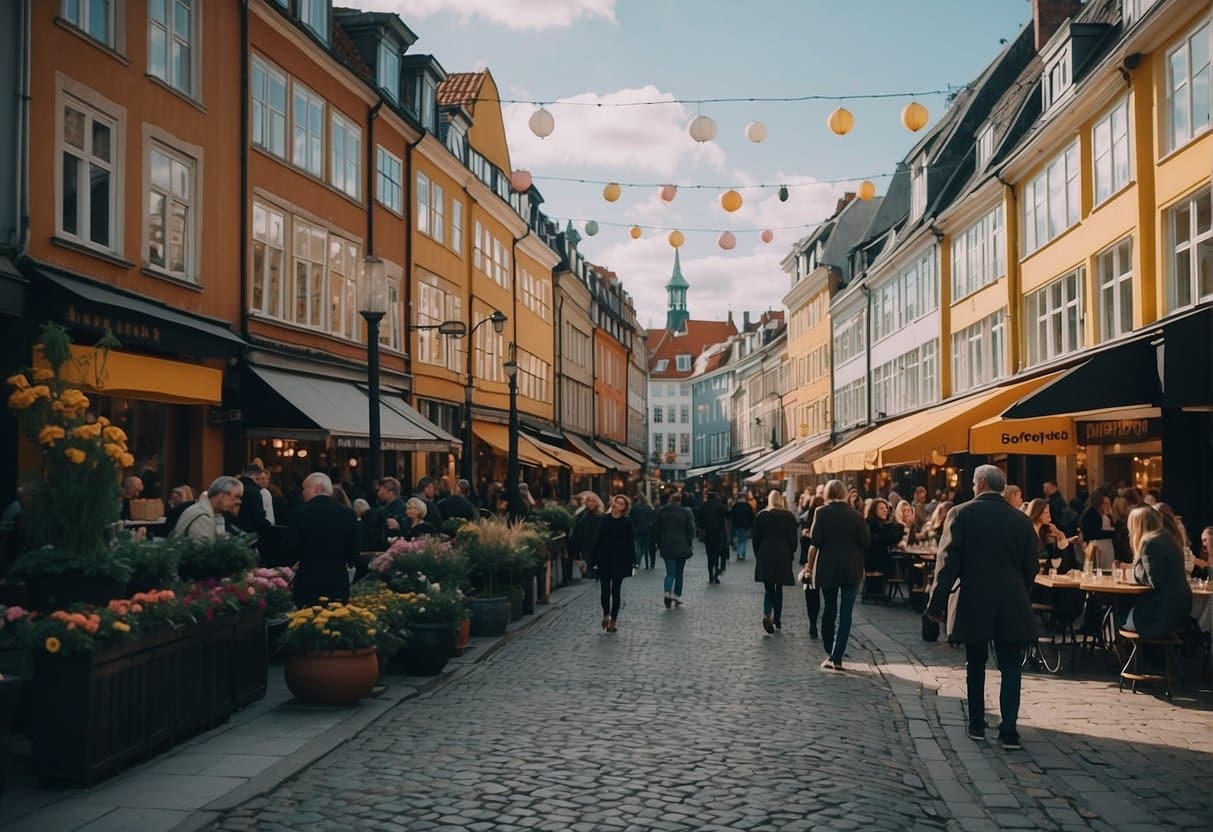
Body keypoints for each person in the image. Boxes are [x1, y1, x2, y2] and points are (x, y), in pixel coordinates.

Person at [927, 465, 1038, 751]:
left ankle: (976, 724)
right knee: (1011, 667)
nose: (973, 487)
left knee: (975, 663)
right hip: (1011, 601)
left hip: (974, 599)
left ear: (981, 484)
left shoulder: (961, 514)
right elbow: (1031, 568)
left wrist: (935, 605)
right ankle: (1009, 731)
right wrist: (1018, 591)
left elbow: (947, 565)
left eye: (974, 482)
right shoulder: (1021, 520)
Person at [807, 480, 870, 670]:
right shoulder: (856, 515)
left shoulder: (821, 512)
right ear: (844, 493)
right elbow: (865, 543)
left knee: (830, 607)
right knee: (846, 613)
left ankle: (829, 649)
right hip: (852, 568)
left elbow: (814, 543)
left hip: (828, 568)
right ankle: (837, 656)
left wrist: (809, 567)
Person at [282, 472, 361, 607]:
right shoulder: (348, 514)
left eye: (306, 488)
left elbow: (290, 547)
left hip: (308, 579)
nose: (303, 492)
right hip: (337, 579)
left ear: (318, 488)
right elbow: (354, 552)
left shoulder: (299, 513)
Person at [1121, 506, 1192, 639]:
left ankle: (1127, 659)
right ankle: (1148, 657)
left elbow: (1153, 580)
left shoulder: (1150, 543)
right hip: (1179, 610)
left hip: (1161, 615)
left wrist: (1135, 571)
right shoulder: (1168, 539)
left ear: (1138, 526)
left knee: (1116, 616)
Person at [752, 490, 798, 634]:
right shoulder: (789, 517)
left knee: (769, 588)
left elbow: (755, 539)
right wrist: (791, 553)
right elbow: (794, 540)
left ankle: (767, 614)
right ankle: (777, 619)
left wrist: (758, 555)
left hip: (765, 554)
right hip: (783, 555)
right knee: (779, 588)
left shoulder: (762, 516)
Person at [592, 495, 636, 633]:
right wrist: (593, 560)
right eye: (616, 502)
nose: (616, 504)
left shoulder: (627, 522)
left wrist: (632, 562)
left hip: (620, 560)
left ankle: (613, 622)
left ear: (624, 507)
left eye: (620, 503)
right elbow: (598, 539)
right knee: (605, 591)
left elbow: (630, 543)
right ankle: (606, 614)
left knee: (616, 592)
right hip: (605, 559)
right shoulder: (605, 519)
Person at [172, 476, 244, 541]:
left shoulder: (215, 514)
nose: (239, 501)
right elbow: (202, 553)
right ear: (223, 496)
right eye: (237, 497)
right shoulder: (202, 518)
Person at [656, 492, 695, 608]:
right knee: (679, 574)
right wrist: (689, 542)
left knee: (670, 573)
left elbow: (657, 529)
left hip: (667, 547)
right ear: (680, 501)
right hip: (682, 547)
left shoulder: (662, 512)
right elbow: (691, 531)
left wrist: (659, 542)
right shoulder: (685, 513)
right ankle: (677, 596)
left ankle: (667, 593)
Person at [1026, 499, 1080, 574]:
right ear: (1037, 513)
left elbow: (1056, 557)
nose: (1049, 515)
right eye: (1046, 512)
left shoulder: (1047, 532)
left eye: (1049, 512)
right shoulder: (1028, 532)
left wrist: (1061, 536)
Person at [864, 499, 905, 597]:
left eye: (886, 508)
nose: (885, 510)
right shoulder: (871, 523)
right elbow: (882, 540)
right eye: (881, 508)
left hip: (883, 557)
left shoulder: (885, 524)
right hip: (873, 560)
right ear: (874, 510)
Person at [797, 494, 825, 638]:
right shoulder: (826, 527)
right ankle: (819, 625)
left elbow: (802, 555)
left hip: (809, 567)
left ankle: (813, 624)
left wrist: (806, 565)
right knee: (824, 596)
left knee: (811, 597)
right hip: (824, 565)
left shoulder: (806, 530)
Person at [567, 492, 604, 582]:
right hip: (585, 549)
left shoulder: (602, 517)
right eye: (588, 501)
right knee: (587, 575)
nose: (590, 503)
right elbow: (577, 532)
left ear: (597, 502)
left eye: (593, 501)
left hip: (598, 549)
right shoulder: (584, 516)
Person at [1080, 489, 1116, 570]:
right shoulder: (1093, 513)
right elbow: (1095, 532)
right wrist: (1111, 533)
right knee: (1099, 566)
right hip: (1097, 544)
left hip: (1097, 543)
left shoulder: (1091, 512)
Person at [700, 491, 729, 584]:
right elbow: (727, 513)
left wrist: (702, 528)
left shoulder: (704, 506)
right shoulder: (719, 505)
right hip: (718, 533)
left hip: (708, 533)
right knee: (716, 555)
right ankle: (715, 575)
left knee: (709, 555)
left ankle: (710, 575)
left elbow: (699, 517)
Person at [629, 493, 656, 570]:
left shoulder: (633, 508)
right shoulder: (648, 508)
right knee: (645, 546)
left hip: (636, 529)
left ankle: (637, 562)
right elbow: (652, 520)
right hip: (647, 530)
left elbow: (631, 519)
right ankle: (646, 563)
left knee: (638, 545)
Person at [728, 494, 756, 561]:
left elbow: (731, 516)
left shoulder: (735, 506)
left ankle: (740, 553)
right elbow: (752, 517)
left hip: (737, 526)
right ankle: (741, 553)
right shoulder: (748, 506)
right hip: (746, 526)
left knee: (740, 540)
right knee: (743, 540)